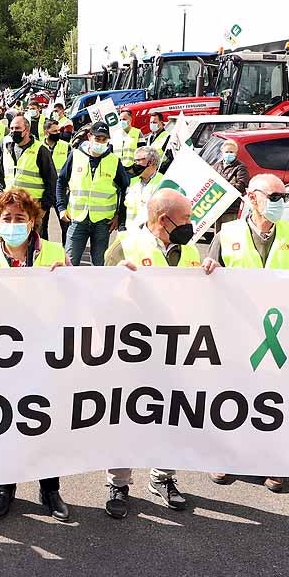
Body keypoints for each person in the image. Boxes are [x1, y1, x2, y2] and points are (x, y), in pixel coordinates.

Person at [203, 172, 289, 492]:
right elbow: (209, 276)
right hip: (237, 331)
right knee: (232, 395)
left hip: (279, 335)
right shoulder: (227, 234)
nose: (282, 204)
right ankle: (225, 456)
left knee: (274, 399)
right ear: (252, 198)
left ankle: (272, 461)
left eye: (285, 198)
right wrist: (210, 271)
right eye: (276, 197)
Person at [0, 188, 71, 521]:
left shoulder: (55, 252)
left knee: (45, 421)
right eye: (7, 218)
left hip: (45, 354)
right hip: (2, 357)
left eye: (20, 217)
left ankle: (50, 488)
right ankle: (5, 487)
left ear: (33, 221)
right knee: (5, 422)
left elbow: (80, 299)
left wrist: (68, 277)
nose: (13, 223)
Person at [102, 188, 200, 517]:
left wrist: (213, 275)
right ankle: (118, 482)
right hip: (132, 352)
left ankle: (163, 478)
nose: (191, 224)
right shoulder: (125, 244)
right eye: (186, 218)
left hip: (175, 351)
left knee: (172, 414)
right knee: (125, 416)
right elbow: (98, 296)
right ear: (163, 220)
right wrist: (117, 281)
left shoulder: (190, 253)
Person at [57, 122, 128, 266]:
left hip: (102, 223)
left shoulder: (114, 161)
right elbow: (61, 182)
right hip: (77, 219)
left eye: (104, 140)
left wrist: (118, 216)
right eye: (97, 139)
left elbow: (126, 189)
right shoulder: (75, 156)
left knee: (100, 265)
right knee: (69, 262)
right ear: (89, 137)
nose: (101, 142)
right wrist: (61, 207)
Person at [0, 113, 58, 238]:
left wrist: (44, 207)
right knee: (14, 240)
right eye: (11, 128)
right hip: (11, 205)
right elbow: (0, 174)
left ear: (27, 130)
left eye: (17, 129)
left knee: (36, 242)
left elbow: (51, 180)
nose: (13, 132)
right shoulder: (5, 146)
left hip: (34, 207)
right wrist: (3, 196)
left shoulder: (40, 150)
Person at [123, 146, 165, 231]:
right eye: (135, 161)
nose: (135, 164)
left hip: (151, 236)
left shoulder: (163, 182)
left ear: (151, 162)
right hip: (130, 233)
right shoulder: (132, 181)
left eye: (138, 160)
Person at [214, 139, 250, 230]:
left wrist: (223, 188)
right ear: (222, 152)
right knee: (218, 236)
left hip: (231, 209)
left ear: (236, 153)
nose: (229, 154)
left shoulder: (240, 167)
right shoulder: (217, 166)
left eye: (231, 152)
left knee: (229, 236)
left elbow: (241, 186)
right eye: (226, 152)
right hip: (218, 208)